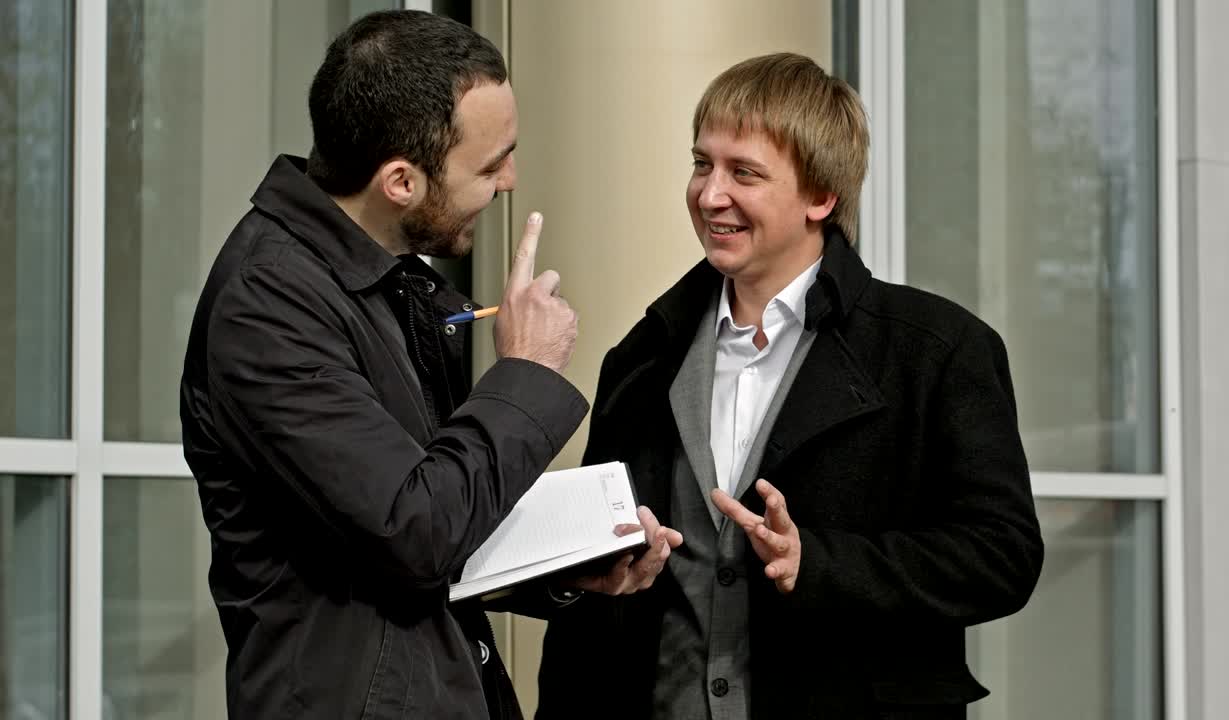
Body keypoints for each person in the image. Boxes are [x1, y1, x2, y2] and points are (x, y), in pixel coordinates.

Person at [535, 52, 1044, 720]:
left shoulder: (940, 352)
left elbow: (1001, 556)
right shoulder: (640, 357)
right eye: (701, 163)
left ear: (820, 196)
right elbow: (586, 624)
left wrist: (820, 563)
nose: (709, 194)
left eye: (743, 172)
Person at [179, 10, 628, 719]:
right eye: (489, 164)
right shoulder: (268, 304)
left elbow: (430, 522)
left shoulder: (380, 280)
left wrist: (570, 566)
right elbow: (415, 531)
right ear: (400, 182)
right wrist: (529, 369)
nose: (509, 180)